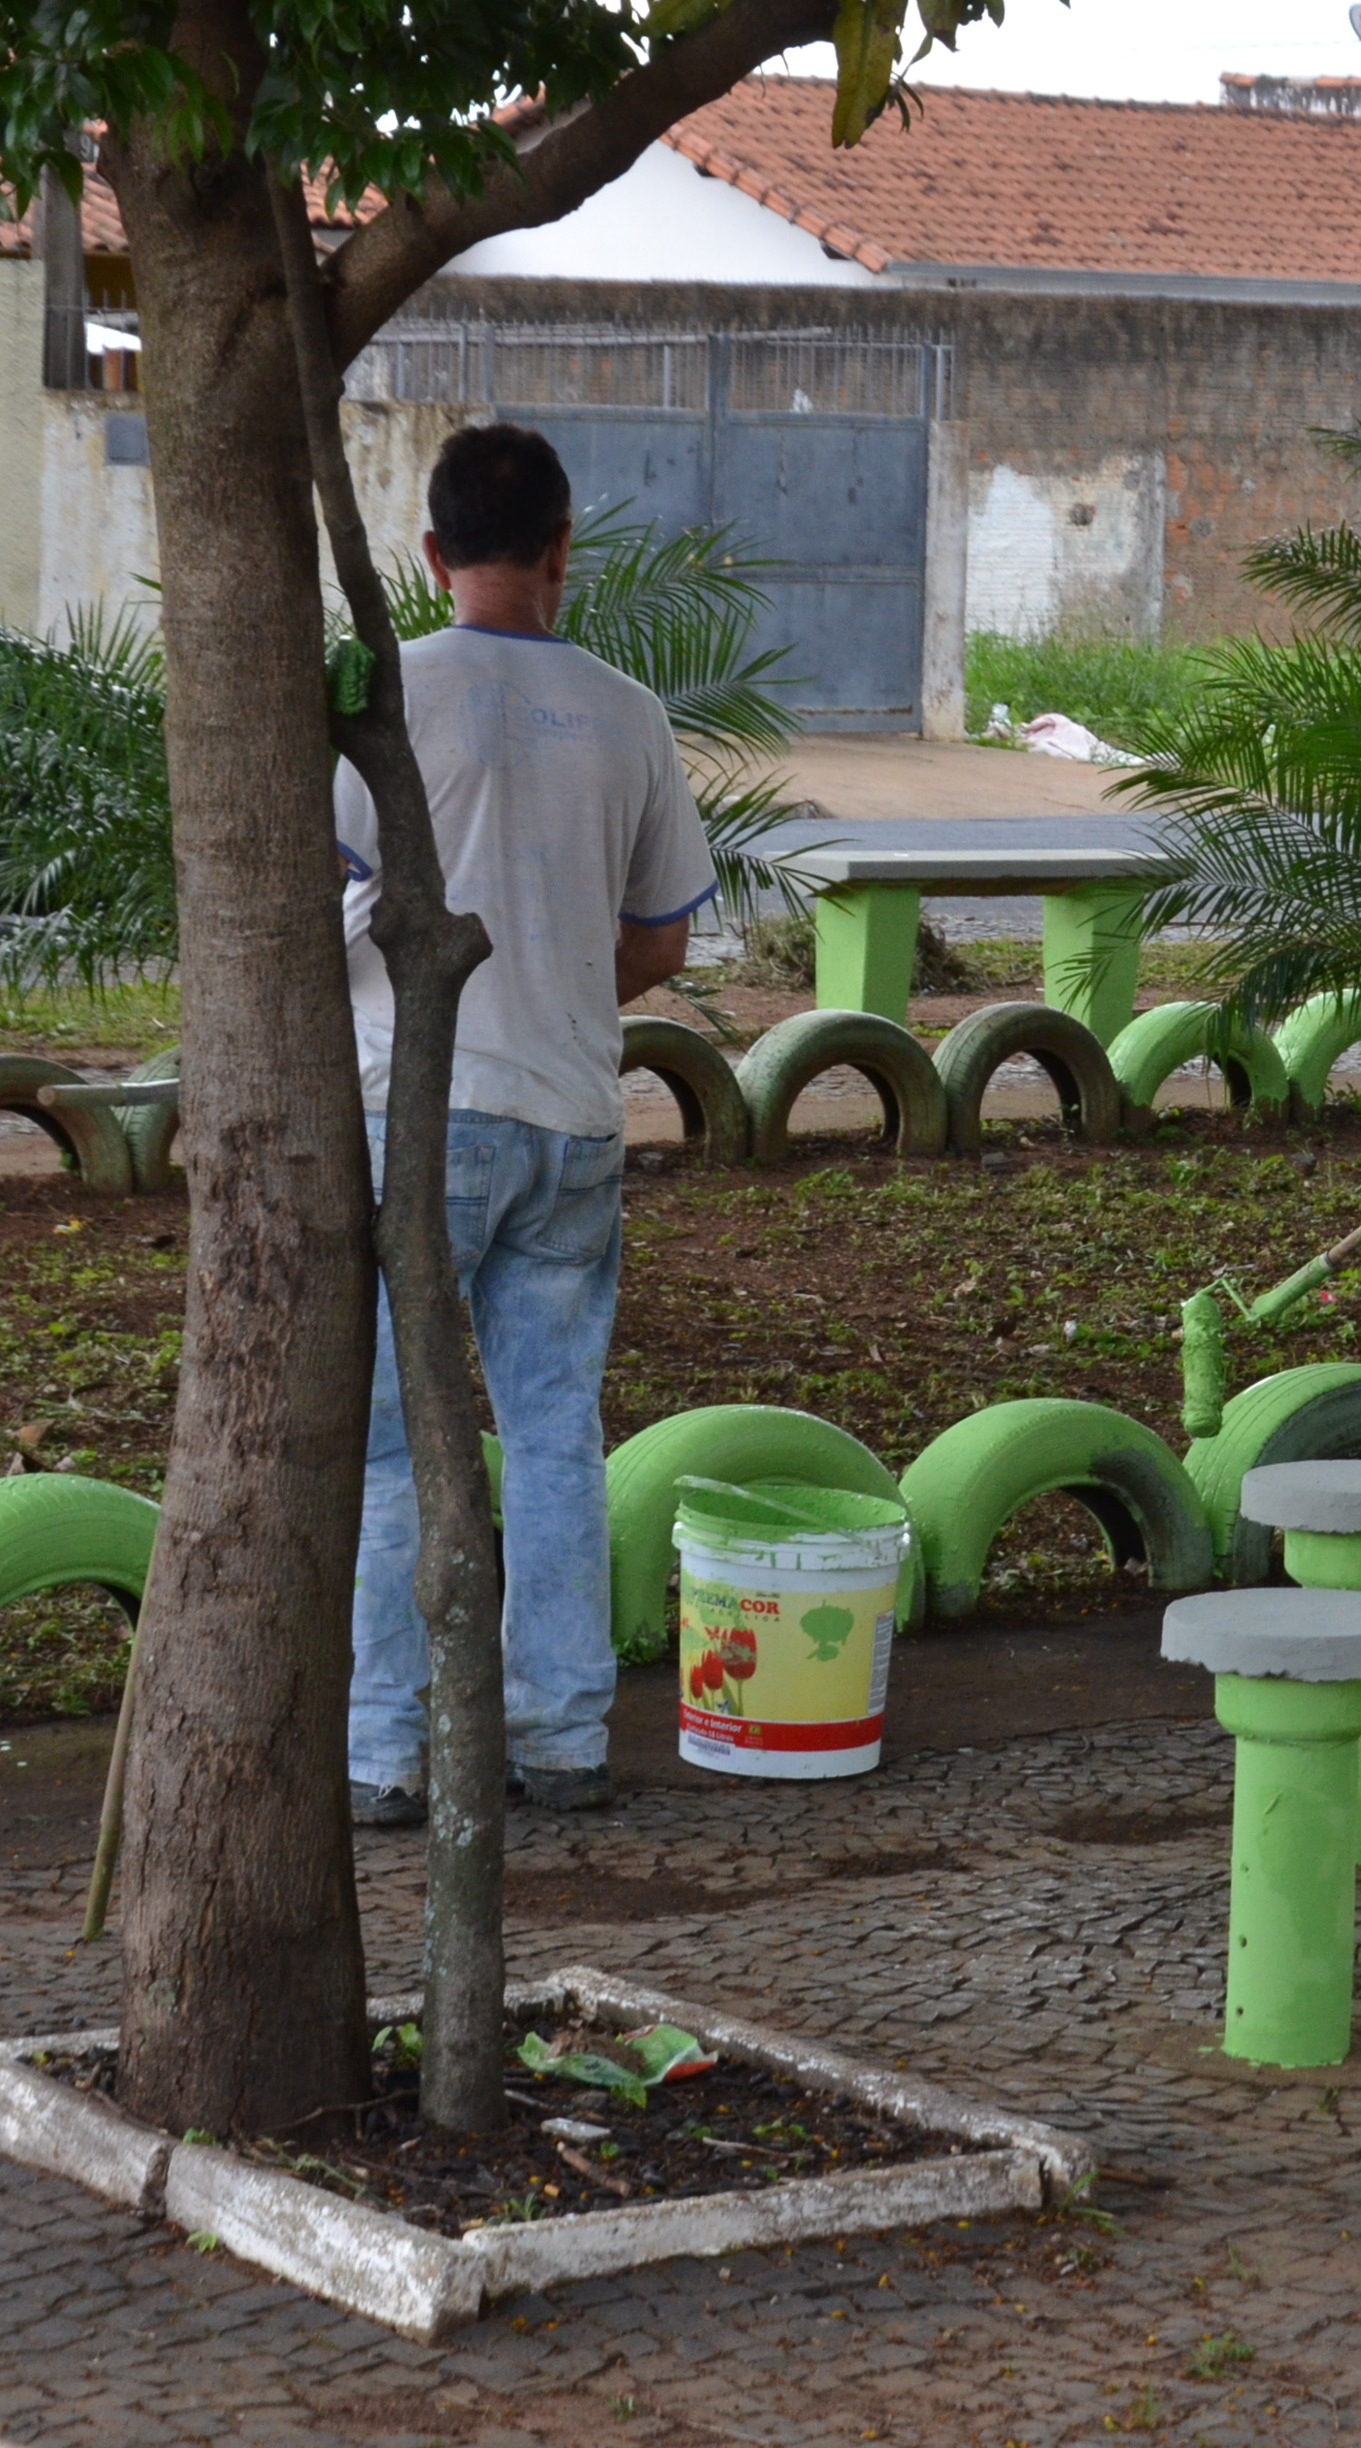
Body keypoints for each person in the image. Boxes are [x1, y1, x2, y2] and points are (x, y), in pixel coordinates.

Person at [340, 424, 716, 1823]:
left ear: (430, 555)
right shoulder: (627, 713)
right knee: (557, 1432)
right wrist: (560, 965)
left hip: (421, 1117)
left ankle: (384, 1754)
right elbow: (663, 940)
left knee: (385, 1440)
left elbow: (322, 906)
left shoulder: (382, 701)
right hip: (573, 1118)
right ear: (567, 550)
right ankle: (561, 1742)